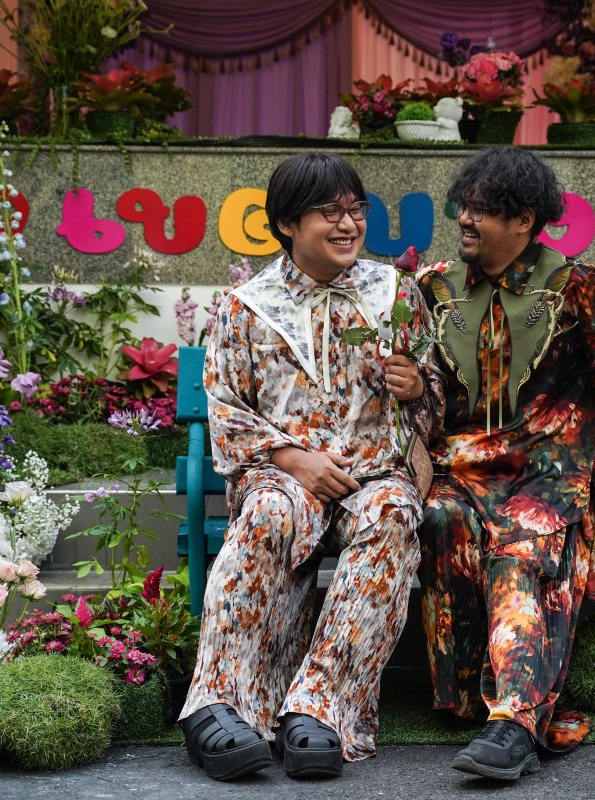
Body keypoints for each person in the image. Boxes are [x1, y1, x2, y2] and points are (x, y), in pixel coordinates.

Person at [415, 147, 595, 781]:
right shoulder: (432, 287)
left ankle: (515, 718)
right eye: (463, 205)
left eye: (484, 210)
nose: (465, 219)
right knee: (437, 521)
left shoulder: (578, 288)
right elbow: (414, 385)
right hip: (456, 474)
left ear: (525, 221)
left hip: (545, 477)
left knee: (521, 546)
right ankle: (468, 699)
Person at [179, 152, 443, 781]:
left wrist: (415, 388)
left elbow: (436, 397)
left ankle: (320, 709)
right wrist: (293, 459)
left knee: (394, 515)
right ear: (288, 224)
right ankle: (217, 703)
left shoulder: (396, 294)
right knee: (271, 511)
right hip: (283, 474)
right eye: (330, 212)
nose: (348, 223)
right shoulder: (247, 307)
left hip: (373, 474)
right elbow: (224, 406)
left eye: (356, 209)